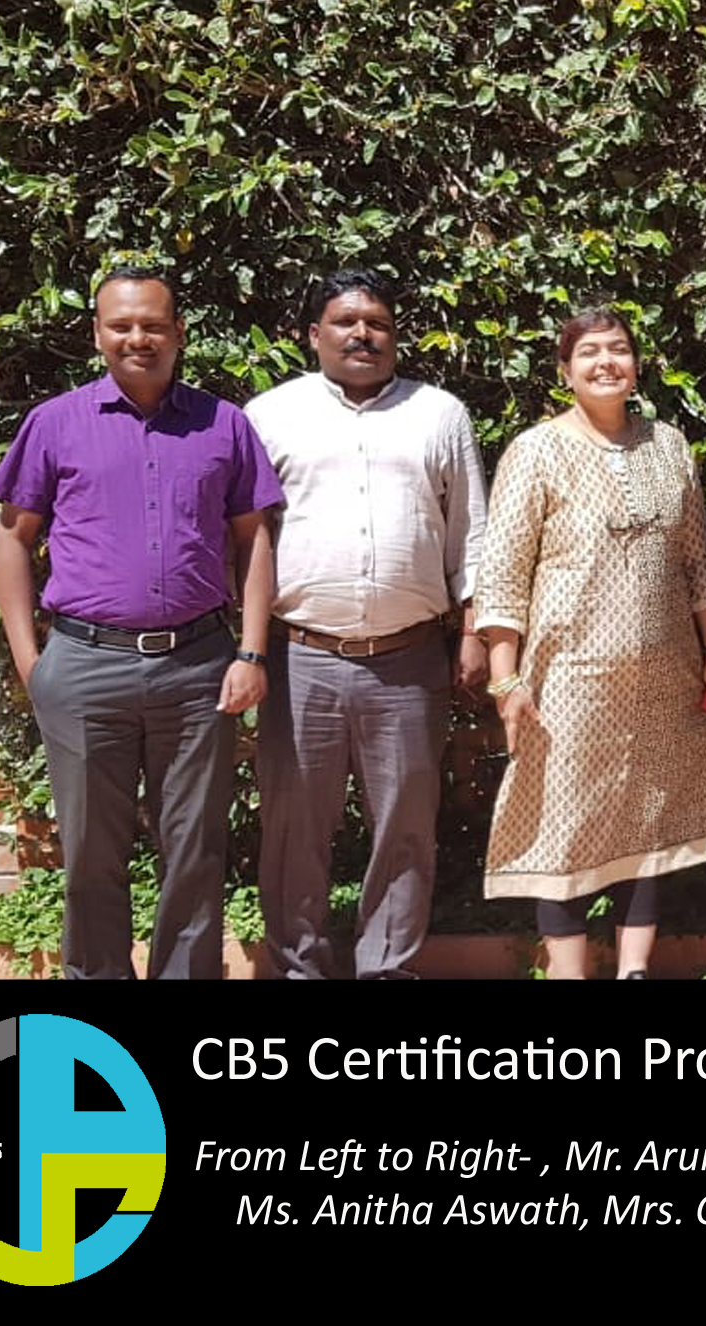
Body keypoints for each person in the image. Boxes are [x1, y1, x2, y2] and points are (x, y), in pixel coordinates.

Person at [0, 266, 283, 979]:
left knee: (195, 849)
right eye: (121, 325)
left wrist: (251, 653)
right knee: (91, 851)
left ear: (178, 333)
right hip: (85, 667)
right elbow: (13, 538)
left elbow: (254, 540)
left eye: (153, 325)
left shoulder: (223, 424)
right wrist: (33, 664)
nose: (137, 338)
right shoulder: (55, 423)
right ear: (98, 334)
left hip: (197, 667)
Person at [474, 307, 706, 978]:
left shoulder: (669, 445)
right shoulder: (535, 451)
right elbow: (503, 574)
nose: (606, 362)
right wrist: (506, 678)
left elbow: (696, 561)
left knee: (647, 818)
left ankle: (633, 969)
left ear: (637, 364)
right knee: (562, 821)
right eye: (589, 352)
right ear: (565, 371)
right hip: (568, 680)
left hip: (664, 674)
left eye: (618, 349)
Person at [244, 269, 488, 979]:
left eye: (377, 323)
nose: (362, 335)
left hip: (409, 661)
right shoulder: (269, 415)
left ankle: (388, 967)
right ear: (313, 334)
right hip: (300, 658)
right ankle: (300, 967)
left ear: (395, 335)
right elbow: (247, 536)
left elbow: (471, 532)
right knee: (293, 829)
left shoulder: (439, 414)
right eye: (346, 322)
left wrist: (473, 631)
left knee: (406, 827)